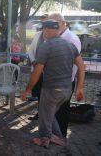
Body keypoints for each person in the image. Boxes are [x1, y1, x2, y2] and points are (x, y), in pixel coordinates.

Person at [21, 20, 85, 148]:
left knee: (44, 117)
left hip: (51, 90)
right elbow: (82, 67)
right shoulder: (69, 45)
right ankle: (60, 138)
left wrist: (27, 90)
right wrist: (79, 88)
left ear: (46, 30)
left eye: (43, 29)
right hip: (67, 90)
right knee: (49, 115)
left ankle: (44, 140)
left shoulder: (46, 46)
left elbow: (37, 72)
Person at [49, 13, 82, 138]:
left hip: (65, 82)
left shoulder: (71, 38)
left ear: (62, 23)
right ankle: (53, 135)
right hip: (55, 80)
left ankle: (60, 136)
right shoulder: (57, 36)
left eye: (53, 23)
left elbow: (75, 64)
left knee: (61, 112)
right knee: (54, 111)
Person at [27, 14, 48, 120]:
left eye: (45, 22)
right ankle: (40, 114)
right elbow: (30, 50)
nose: (43, 25)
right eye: (42, 22)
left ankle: (45, 116)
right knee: (39, 92)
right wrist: (34, 61)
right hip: (36, 69)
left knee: (46, 94)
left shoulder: (53, 36)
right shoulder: (37, 35)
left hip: (48, 72)